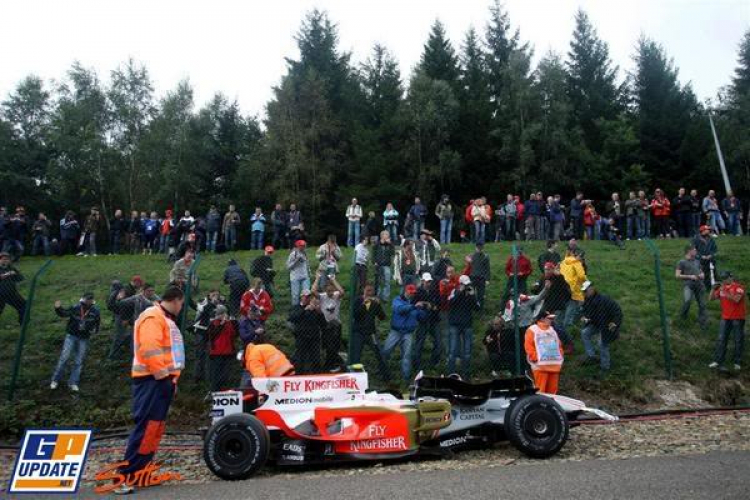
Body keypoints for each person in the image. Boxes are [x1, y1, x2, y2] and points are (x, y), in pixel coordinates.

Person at [115, 285, 185, 495]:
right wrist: (163, 376)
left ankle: (141, 473)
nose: (181, 308)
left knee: (153, 429)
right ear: (175, 300)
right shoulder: (153, 317)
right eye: (181, 303)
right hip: (152, 380)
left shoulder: (164, 319)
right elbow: (149, 349)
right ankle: (124, 476)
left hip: (160, 381)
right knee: (146, 428)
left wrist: (171, 380)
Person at [49, 292, 100, 392]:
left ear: (92, 300)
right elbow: (64, 313)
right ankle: (55, 380)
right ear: (83, 299)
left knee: (79, 361)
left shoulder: (95, 311)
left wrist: (95, 330)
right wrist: (58, 308)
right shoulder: (76, 307)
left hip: (84, 338)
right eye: (87, 299)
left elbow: (97, 322)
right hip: (71, 336)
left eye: (90, 299)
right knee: (64, 357)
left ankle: (73, 382)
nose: (88, 301)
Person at [383, 284, 427, 382]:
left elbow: (422, 317)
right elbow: (400, 310)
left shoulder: (415, 303)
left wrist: (424, 308)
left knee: (407, 356)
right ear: (405, 291)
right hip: (396, 331)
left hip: (408, 333)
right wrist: (414, 306)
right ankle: (383, 372)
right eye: (410, 293)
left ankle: (406, 379)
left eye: (413, 293)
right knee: (386, 351)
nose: (412, 295)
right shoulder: (397, 300)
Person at [580, 281, 623, 373]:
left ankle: (605, 367)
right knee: (584, 333)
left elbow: (617, 311)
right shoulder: (586, 300)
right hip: (595, 324)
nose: (584, 293)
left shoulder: (604, 299)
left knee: (601, 344)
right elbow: (584, 311)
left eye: (586, 291)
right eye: (583, 291)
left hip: (607, 326)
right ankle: (592, 356)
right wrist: (585, 317)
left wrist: (614, 323)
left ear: (592, 289)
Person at [351, 284, 391, 381]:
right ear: (363, 290)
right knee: (356, 357)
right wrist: (363, 304)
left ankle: (386, 377)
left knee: (379, 354)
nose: (369, 293)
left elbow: (382, 317)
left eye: (371, 291)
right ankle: (354, 379)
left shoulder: (374, 303)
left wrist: (379, 304)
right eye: (367, 290)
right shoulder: (358, 300)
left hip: (371, 333)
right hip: (358, 333)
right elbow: (355, 315)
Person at [709, 272, 746, 372]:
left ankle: (737, 362)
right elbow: (711, 299)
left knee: (738, 340)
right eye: (723, 279)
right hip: (725, 317)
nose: (724, 280)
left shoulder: (739, 287)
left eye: (726, 278)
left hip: (738, 317)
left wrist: (724, 291)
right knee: (721, 339)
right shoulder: (722, 288)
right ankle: (718, 360)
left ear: (731, 277)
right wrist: (713, 289)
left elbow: (736, 299)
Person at [533, 263, 573, 352]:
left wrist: (558, 274)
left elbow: (566, 287)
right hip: (548, 307)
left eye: (548, 269)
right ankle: (556, 344)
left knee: (558, 326)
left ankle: (569, 344)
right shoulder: (543, 278)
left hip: (558, 306)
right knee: (550, 326)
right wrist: (534, 288)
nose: (546, 271)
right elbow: (538, 292)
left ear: (552, 270)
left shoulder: (558, 278)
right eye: (545, 269)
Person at [447, 275, 481, 379]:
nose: (466, 286)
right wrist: (460, 292)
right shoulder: (454, 291)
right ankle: (451, 374)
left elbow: (477, 308)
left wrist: (472, 295)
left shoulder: (470, 292)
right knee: (452, 351)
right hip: (455, 324)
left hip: (467, 325)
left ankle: (466, 374)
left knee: (467, 352)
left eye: (467, 284)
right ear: (460, 284)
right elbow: (450, 303)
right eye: (464, 284)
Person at [312, 272, 346, 372]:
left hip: (336, 325)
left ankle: (334, 364)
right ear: (325, 291)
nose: (330, 293)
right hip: (326, 325)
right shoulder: (323, 296)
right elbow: (313, 291)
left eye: (331, 290)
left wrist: (333, 280)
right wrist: (317, 278)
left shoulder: (336, 295)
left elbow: (342, 291)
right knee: (329, 347)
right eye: (328, 291)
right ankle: (331, 364)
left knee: (335, 346)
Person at [524, 311, 564, 394]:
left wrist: (560, 356)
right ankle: (539, 407)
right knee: (541, 392)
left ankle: (550, 407)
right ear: (542, 319)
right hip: (540, 367)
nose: (551, 320)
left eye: (552, 318)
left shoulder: (552, 330)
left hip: (554, 366)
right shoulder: (532, 329)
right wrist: (536, 358)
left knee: (553, 393)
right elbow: (528, 346)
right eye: (549, 318)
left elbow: (558, 345)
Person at [288, 291, 326, 374]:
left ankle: (317, 378)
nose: (307, 298)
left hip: (314, 338)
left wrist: (320, 312)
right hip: (301, 338)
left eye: (309, 297)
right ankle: (299, 377)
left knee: (316, 359)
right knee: (300, 359)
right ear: (301, 297)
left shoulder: (315, 309)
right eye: (305, 296)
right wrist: (305, 309)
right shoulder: (296, 307)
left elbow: (323, 324)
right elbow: (292, 318)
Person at [412, 273, 442, 372]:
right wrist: (426, 304)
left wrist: (431, 305)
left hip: (434, 319)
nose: (428, 283)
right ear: (422, 281)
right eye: (427, 281)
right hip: (422, 320)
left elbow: (438, 304)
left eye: (430, 281)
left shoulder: (435, 290)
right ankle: (416, 365)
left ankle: (434, 363)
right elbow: (414, 305)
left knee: (438, 342)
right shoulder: (417, 292)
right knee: (419, 343)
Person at [206, 305, 238, 391]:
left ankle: (222, 390)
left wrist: (234, 323)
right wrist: (221, 325)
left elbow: (234, 335)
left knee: (225, 375)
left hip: (228, 352)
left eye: (224, 313)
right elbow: (212, 336)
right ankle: (214, 391)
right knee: (216, 374)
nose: (224, 315)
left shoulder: (229, 323)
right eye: (222, 314)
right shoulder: (213, 323)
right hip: (217, 353)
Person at [676, 244, 708, 329]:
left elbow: (701, 271)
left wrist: (702, 274)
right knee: (687, 301)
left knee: (702, 304)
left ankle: (703, 323)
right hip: (688, 285)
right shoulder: (681, 262)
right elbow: (677, 275)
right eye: (694, 250)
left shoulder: (697, 261)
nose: (696, 251)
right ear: (689, 251)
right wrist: (690, 276)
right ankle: (682, 317)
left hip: (699, 285)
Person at [193, 290, 222, 383]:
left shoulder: (220, 304)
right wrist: (212, 303)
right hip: (201, 330)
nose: (215, 296)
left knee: (210, 356)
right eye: (213, 294)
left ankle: (208, 378)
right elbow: (203, 311)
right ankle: (197, 376)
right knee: (199, 354)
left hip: (212, 333)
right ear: (209, 295)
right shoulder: (203, 301)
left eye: (217, 295)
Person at [560, 248, 588, 332]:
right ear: (578, 255)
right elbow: (581, 276)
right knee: (572, 308)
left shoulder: (564, 261)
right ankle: (566, 327)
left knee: (564, 308)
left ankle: (562, 325)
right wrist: (587, 282)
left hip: (563, 287)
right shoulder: (577, 263)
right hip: (573, 289)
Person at [0, 252, 25, 324]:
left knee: (23, 305)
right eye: (3, 259)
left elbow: (21, 278)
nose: (5, 261)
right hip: (1, 293)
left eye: (7, 259)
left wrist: (15, 273)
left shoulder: (11, 268)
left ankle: (23, 323)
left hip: (11, 293)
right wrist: (6, 275)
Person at [287, 240, 311, 308]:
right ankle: (295, 309)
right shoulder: (293, 254)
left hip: (305, 276)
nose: (303, 247)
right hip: (295, 277)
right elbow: (288, 267)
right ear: (297, 246)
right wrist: (296, 261)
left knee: (306, 293)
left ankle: (306, 308)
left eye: (304, 246)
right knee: (295, 295)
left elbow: (307, 264)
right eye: (301, 246)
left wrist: (309, 273)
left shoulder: (305, 253)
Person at [693, 225, 718, 289]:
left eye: (709, 230)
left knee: (714, 274)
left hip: (710, 260)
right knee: (702, 274)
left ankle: (715, 287)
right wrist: (701, 256)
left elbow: (715, 249)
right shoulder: (696, 239)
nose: (709, 231)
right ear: (702, 231)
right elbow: (693, 250)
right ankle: (700, 287)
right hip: (699, 261)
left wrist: (711, 255)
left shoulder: (711, 239)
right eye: (707, 230)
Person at [373, 231, 395, 302]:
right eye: (385, 235)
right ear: (382, 236)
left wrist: (390, 244)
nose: (387, 236)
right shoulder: (377, 244)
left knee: (387, 282)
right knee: (378, 282)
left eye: (388, 235)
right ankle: (378, 297)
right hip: (378, 265)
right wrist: (374, 262)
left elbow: (393, 253)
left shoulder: (390, 245)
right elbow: (373, 253)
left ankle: (385, 298)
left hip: (387, 266)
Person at [468, 242, 490, 309]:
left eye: (481, 248)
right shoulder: (471, 256)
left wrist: (487, 279)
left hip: (481, 279)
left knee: (481, 295)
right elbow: (467, 268)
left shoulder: (486, 256)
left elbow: (487, 268)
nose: (479, 249)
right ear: (476, 248)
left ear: (483, 248)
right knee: (470, 293)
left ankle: (480, 309)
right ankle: (471, 308)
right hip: (472, 278)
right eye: (478, 248)